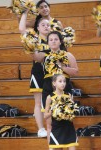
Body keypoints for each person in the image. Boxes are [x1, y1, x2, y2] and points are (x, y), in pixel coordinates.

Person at [33, 30, 78, 142]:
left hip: (65, 87)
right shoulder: (44, 55)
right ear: (47, 42)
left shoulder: (67, 54)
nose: (53, 41)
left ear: (60, 41)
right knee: (49, 123)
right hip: (48, 88)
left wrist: (63, 68)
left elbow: (75, 71)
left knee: (67, 121)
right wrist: (29, 43)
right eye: (51, 40)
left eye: (56, 39)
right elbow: (34, 56)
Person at [19, 9, 51, 137]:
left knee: (51, 100)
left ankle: (51, 126)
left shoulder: (54, 39)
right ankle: (41, 129)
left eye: (48, 25)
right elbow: (22, 29)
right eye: (43, 25)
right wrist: (25, 13)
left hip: (52, 73)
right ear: (37, 27)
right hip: (38, 72)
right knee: (38, 102)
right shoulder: (35, 39)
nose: (46, 26)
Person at [44, 74, 79, 150]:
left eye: (64, 81)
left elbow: (73, 111)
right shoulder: (50, 97)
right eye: (60, 81)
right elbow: (45, 116)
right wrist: (54, 111)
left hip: (69, 127)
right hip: (57, 128)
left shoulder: (68, 95)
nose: (63, 83)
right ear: (54, 83)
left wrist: (70, 111)